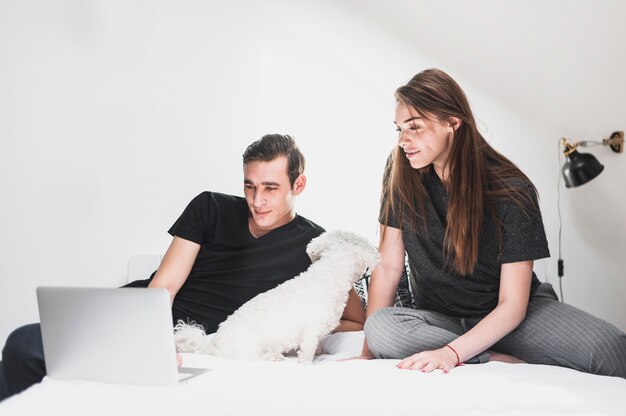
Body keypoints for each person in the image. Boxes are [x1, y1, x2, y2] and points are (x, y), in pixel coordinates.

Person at [0, 134, 366, 401]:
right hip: (142, 322)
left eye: (270, 187)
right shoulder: (210, 207)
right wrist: (151, 345)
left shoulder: (317, 245)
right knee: (24, 343)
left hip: (200, 345)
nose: (257, 200)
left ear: (298, 184)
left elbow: (354, 319)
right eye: (249, 186)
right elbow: (163, 288)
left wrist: (291, 329)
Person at [360, 68, 626, 378]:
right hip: (438, 320)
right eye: (399, 129)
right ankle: (493, 357)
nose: (404, 140)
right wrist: (369, 353)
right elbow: (389, 266)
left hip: (514, 317)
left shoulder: (510, 188)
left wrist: (451, 353)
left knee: (611, 347)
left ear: (453, 123)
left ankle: (479, 349)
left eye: (415, 127)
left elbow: (513, 303)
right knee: (380, 328)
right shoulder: (400, 170)